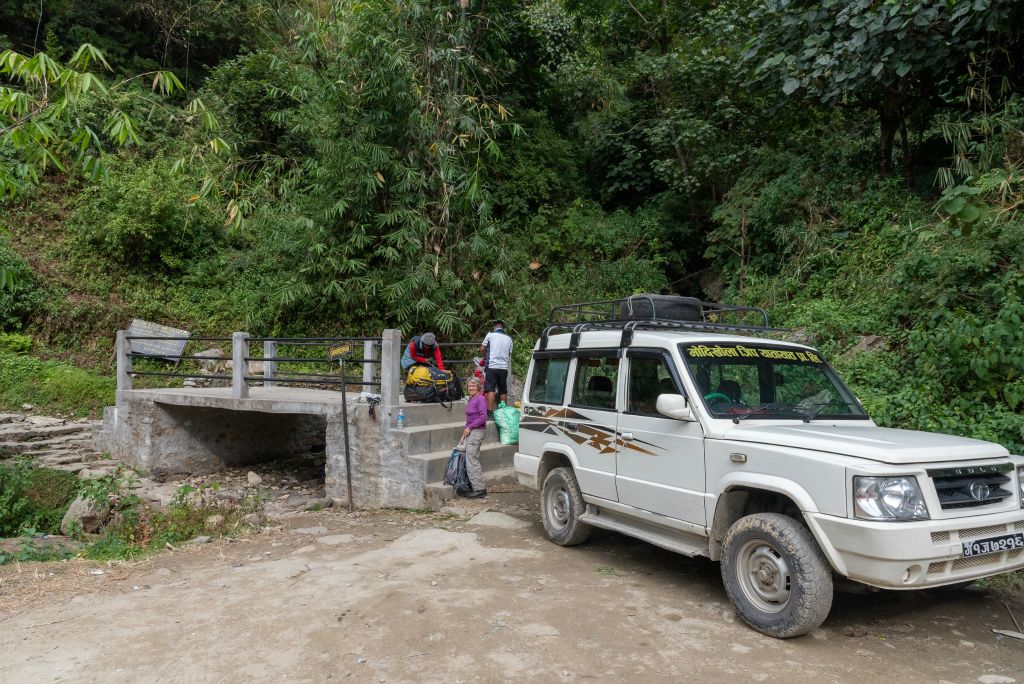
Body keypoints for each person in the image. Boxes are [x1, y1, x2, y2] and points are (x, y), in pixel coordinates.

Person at [461, 376, 487, 498]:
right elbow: (471, 417)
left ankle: (479, 489)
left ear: (478, 387)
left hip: (477, 431)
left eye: (473, 386)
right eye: (469, 386)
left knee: (472, 460)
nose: (471, 388)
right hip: (471, 431)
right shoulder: (471, 399)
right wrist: (465, 431)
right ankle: (476, 485)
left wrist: (470, 427)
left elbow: (483, 418)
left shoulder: (480, 399)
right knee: (471, 459)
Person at [480, 320, 512, 416]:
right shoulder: (509, 339)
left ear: (495, 327)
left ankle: (490, 413)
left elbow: (482, 348)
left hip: (492, 366)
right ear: (503, 328)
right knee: (503, 390)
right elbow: (509, 354)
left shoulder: (490, 335)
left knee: (490, 389)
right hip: (503, 368)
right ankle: (503, 413)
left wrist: (485, 357)